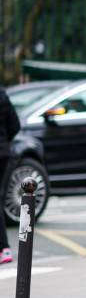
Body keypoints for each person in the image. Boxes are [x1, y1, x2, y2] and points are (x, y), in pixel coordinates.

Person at [0, 87, 21, 264]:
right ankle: (4, 249)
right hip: (2, 154)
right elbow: (15, 125)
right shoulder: (3, 96)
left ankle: (3, 248)